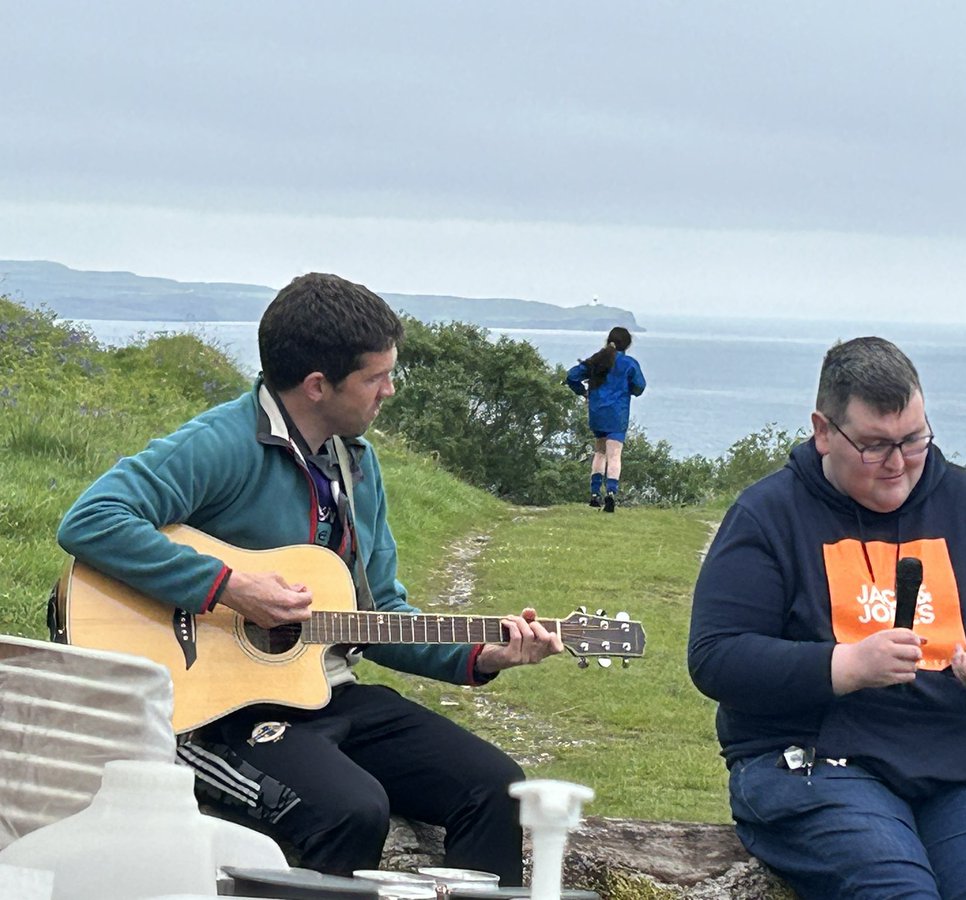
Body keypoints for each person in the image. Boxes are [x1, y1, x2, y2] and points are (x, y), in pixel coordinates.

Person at [56, 273, 563, 884]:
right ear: (318, 385)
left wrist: (485, 654)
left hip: (328, 691)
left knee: (497, 788)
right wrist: (228, 586)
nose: (390, 391)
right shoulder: (223, 443)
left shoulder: (356, 463)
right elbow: (92, 518)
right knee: (351, 809)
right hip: (214, 712)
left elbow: (381, 615)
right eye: (376, 377)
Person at [687, 336, 966, 900]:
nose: (897, 464)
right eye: (873, 446)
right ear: (824, 431)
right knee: (897, 890)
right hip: (811, 761)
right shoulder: (767, 514)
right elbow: (716, 657)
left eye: (913, 440)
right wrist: (842, 666)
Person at [565, 326, 646, 512]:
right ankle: (611, 493)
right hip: (617, 413)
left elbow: (572, 376)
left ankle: (594, 494)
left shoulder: (597, 360)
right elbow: (639, 387)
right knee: (614, 454)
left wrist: (583, 392)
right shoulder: (629, 364)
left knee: (599, 451)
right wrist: (629, 390)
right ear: (627, 344)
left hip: (597, 412)